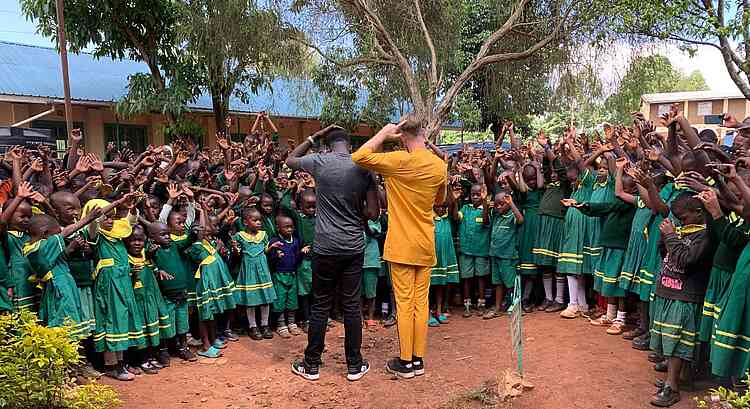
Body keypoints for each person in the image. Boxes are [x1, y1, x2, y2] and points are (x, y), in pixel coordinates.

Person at [351, 115, 447, 379]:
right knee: (421, 303)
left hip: (402, 245)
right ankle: (418, 360)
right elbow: (440, 199)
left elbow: (359, 156)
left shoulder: (398, 161)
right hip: (426, 243)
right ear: (424, 134)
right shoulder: (439, 165)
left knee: (405, 304)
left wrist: (384, 132)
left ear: (402, 135)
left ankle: (405, 362)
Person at [286, 125, 378, 382]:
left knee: (321, 305)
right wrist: (356, 210)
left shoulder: (320, 160)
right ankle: (354, 365)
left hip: (325, 246)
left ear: (326, 146)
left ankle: (311, 364)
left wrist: (312, 137)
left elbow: (290, 159)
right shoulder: (363, 166)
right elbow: (373, 213)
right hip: (352, 246)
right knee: (351, 306)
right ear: (349, 145)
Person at [649, 193, 715, 407]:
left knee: (677, 342)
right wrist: (665, 236)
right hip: (668, 290)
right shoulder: (683, 230)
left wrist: (670, 237)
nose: (680, 222)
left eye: (683, 218)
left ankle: (672, 387)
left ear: (699, 213)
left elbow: (686, 260)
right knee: (668, 338)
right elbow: (665, 255)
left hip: (685, 296)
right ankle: (681, 379)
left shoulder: (705, 236)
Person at [231, 207, 277, 341]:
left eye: (259, 220)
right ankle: (252, 326)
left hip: (263, 270)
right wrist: (235, 249)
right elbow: (237, 255)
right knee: (251, 300)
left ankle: (265, 324)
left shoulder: (263, 235)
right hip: (249, 271)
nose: (258, 223)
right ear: (245, 222)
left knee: (265, 298)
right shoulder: (240, 236)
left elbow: (264, 251)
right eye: (255, 220)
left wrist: (272, 248)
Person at [486, 191, 524, 319]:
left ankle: (516, 307)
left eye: (502, 204)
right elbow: (485, 220)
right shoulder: (496, 216)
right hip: (495, 255)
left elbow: (521, 220)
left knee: (510, 284)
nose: (498, 207)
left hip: (508, 256)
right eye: (496, 205)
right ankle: (497, 308)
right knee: (498, 283)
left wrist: (511, 203)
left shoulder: (512, 216)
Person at [267, 215, 303, 339]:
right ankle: (281, 325)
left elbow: (296, 258)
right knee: (280, 300)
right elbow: (269, 260)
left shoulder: (296, 241)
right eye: (286, 227)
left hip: (292, 274)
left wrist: (301, 253)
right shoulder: (275, 242)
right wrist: (276, 256)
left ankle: (292, 323)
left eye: (291, 227)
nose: (290, 229)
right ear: (278, 228)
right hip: (279, 275)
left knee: (292, 300)